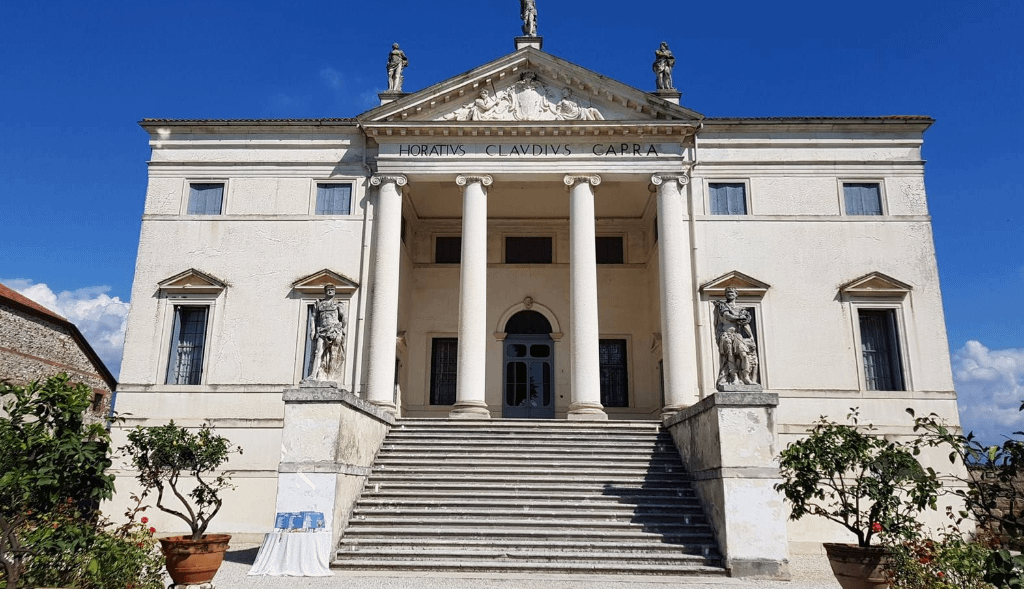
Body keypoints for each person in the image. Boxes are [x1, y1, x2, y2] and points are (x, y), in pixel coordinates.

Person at [714, 287, 758, 387]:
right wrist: (739, 317)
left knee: (744, 354)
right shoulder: (723, 306)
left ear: (736, 294)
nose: (730, 294)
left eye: (732, 292)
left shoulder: (741, 310)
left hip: (737, 335)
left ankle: (745, 376)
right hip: (726, 335)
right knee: (730, 356)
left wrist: (751, 336)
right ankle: (734, 378)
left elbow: (745, 324)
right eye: (728, 292)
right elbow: (727, 316)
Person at [309, 284, 346, 382]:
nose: (330, 291)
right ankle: (313, 375)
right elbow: (313, 317)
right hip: (322, 330)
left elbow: (343, 317)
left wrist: (340, 329)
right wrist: (312, 329)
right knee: (318, 352)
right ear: (325, 291)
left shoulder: (338, 304)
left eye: (332, 290)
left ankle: (331, 377)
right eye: (328, 290)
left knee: (334, 354)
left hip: (333, 330)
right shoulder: (319, 303)